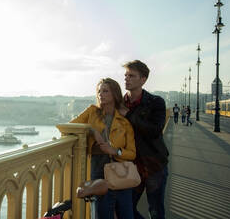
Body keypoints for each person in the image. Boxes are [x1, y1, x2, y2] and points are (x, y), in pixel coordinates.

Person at [70, 78, 136, 219]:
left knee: (126, 215)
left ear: (115, 94)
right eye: (99, 91)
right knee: (103, 214)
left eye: (105, 91)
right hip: (99, 171)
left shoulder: (124, 122)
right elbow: (70, 126)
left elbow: (132, 153)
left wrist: (115, 151)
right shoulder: (92, 112)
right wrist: (92, 131)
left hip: (120, 172)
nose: (101, 94)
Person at [121, 60, 169, 219]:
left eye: (131, 76)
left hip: (154, 165)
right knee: (124, 209)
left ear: (143, 79)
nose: (126, 78)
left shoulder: (156, 102)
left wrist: (128, 115)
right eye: (126, 75)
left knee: (155, 211)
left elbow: (155, 130)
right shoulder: (119, 103)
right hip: (130, 166)